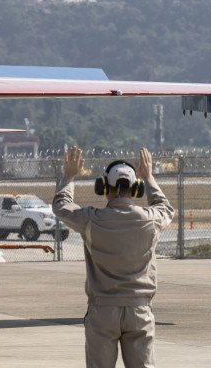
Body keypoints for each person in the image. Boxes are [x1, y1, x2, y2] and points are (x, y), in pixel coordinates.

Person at [53, 147, 174, 368]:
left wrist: (69, 176)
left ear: (103, 188)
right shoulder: (151, 220)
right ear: (136, 189)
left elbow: (61, 206)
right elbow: (166, 208)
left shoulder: (92, 220)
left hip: (103, 310)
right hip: (139, 309)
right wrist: (149, 178)